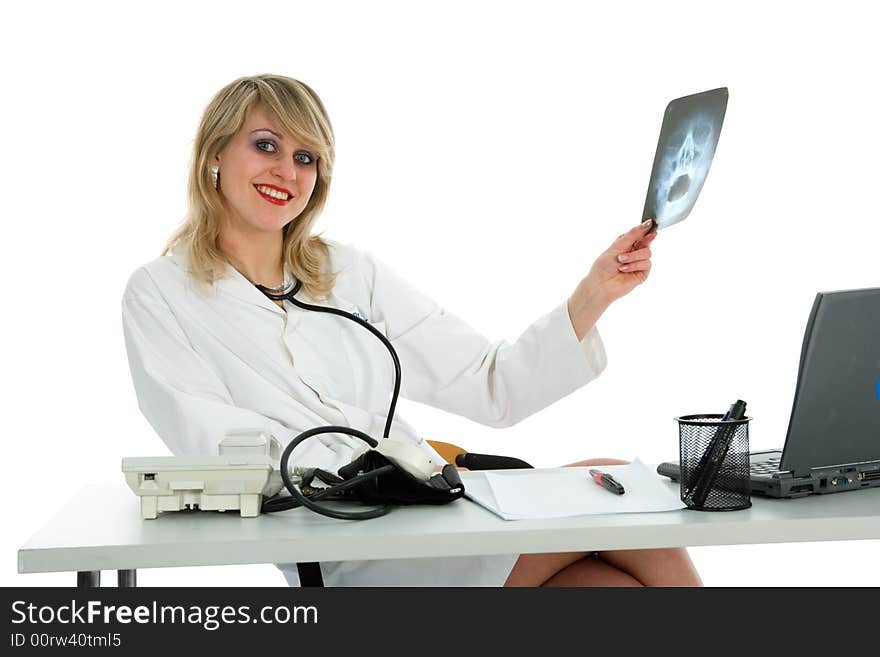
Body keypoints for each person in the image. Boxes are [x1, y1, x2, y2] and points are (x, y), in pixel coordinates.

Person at [122, 73, 702, 587]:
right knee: (628, 518)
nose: (286, 171)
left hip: (436, 507)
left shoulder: (347, 273)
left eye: (306, 157)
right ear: (213, 155)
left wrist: (595, 292)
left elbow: (489, 383)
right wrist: (374, 473)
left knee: (614, 549)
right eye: (266, 145)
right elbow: (219, 449)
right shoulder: (162, 294)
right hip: (348, 545)